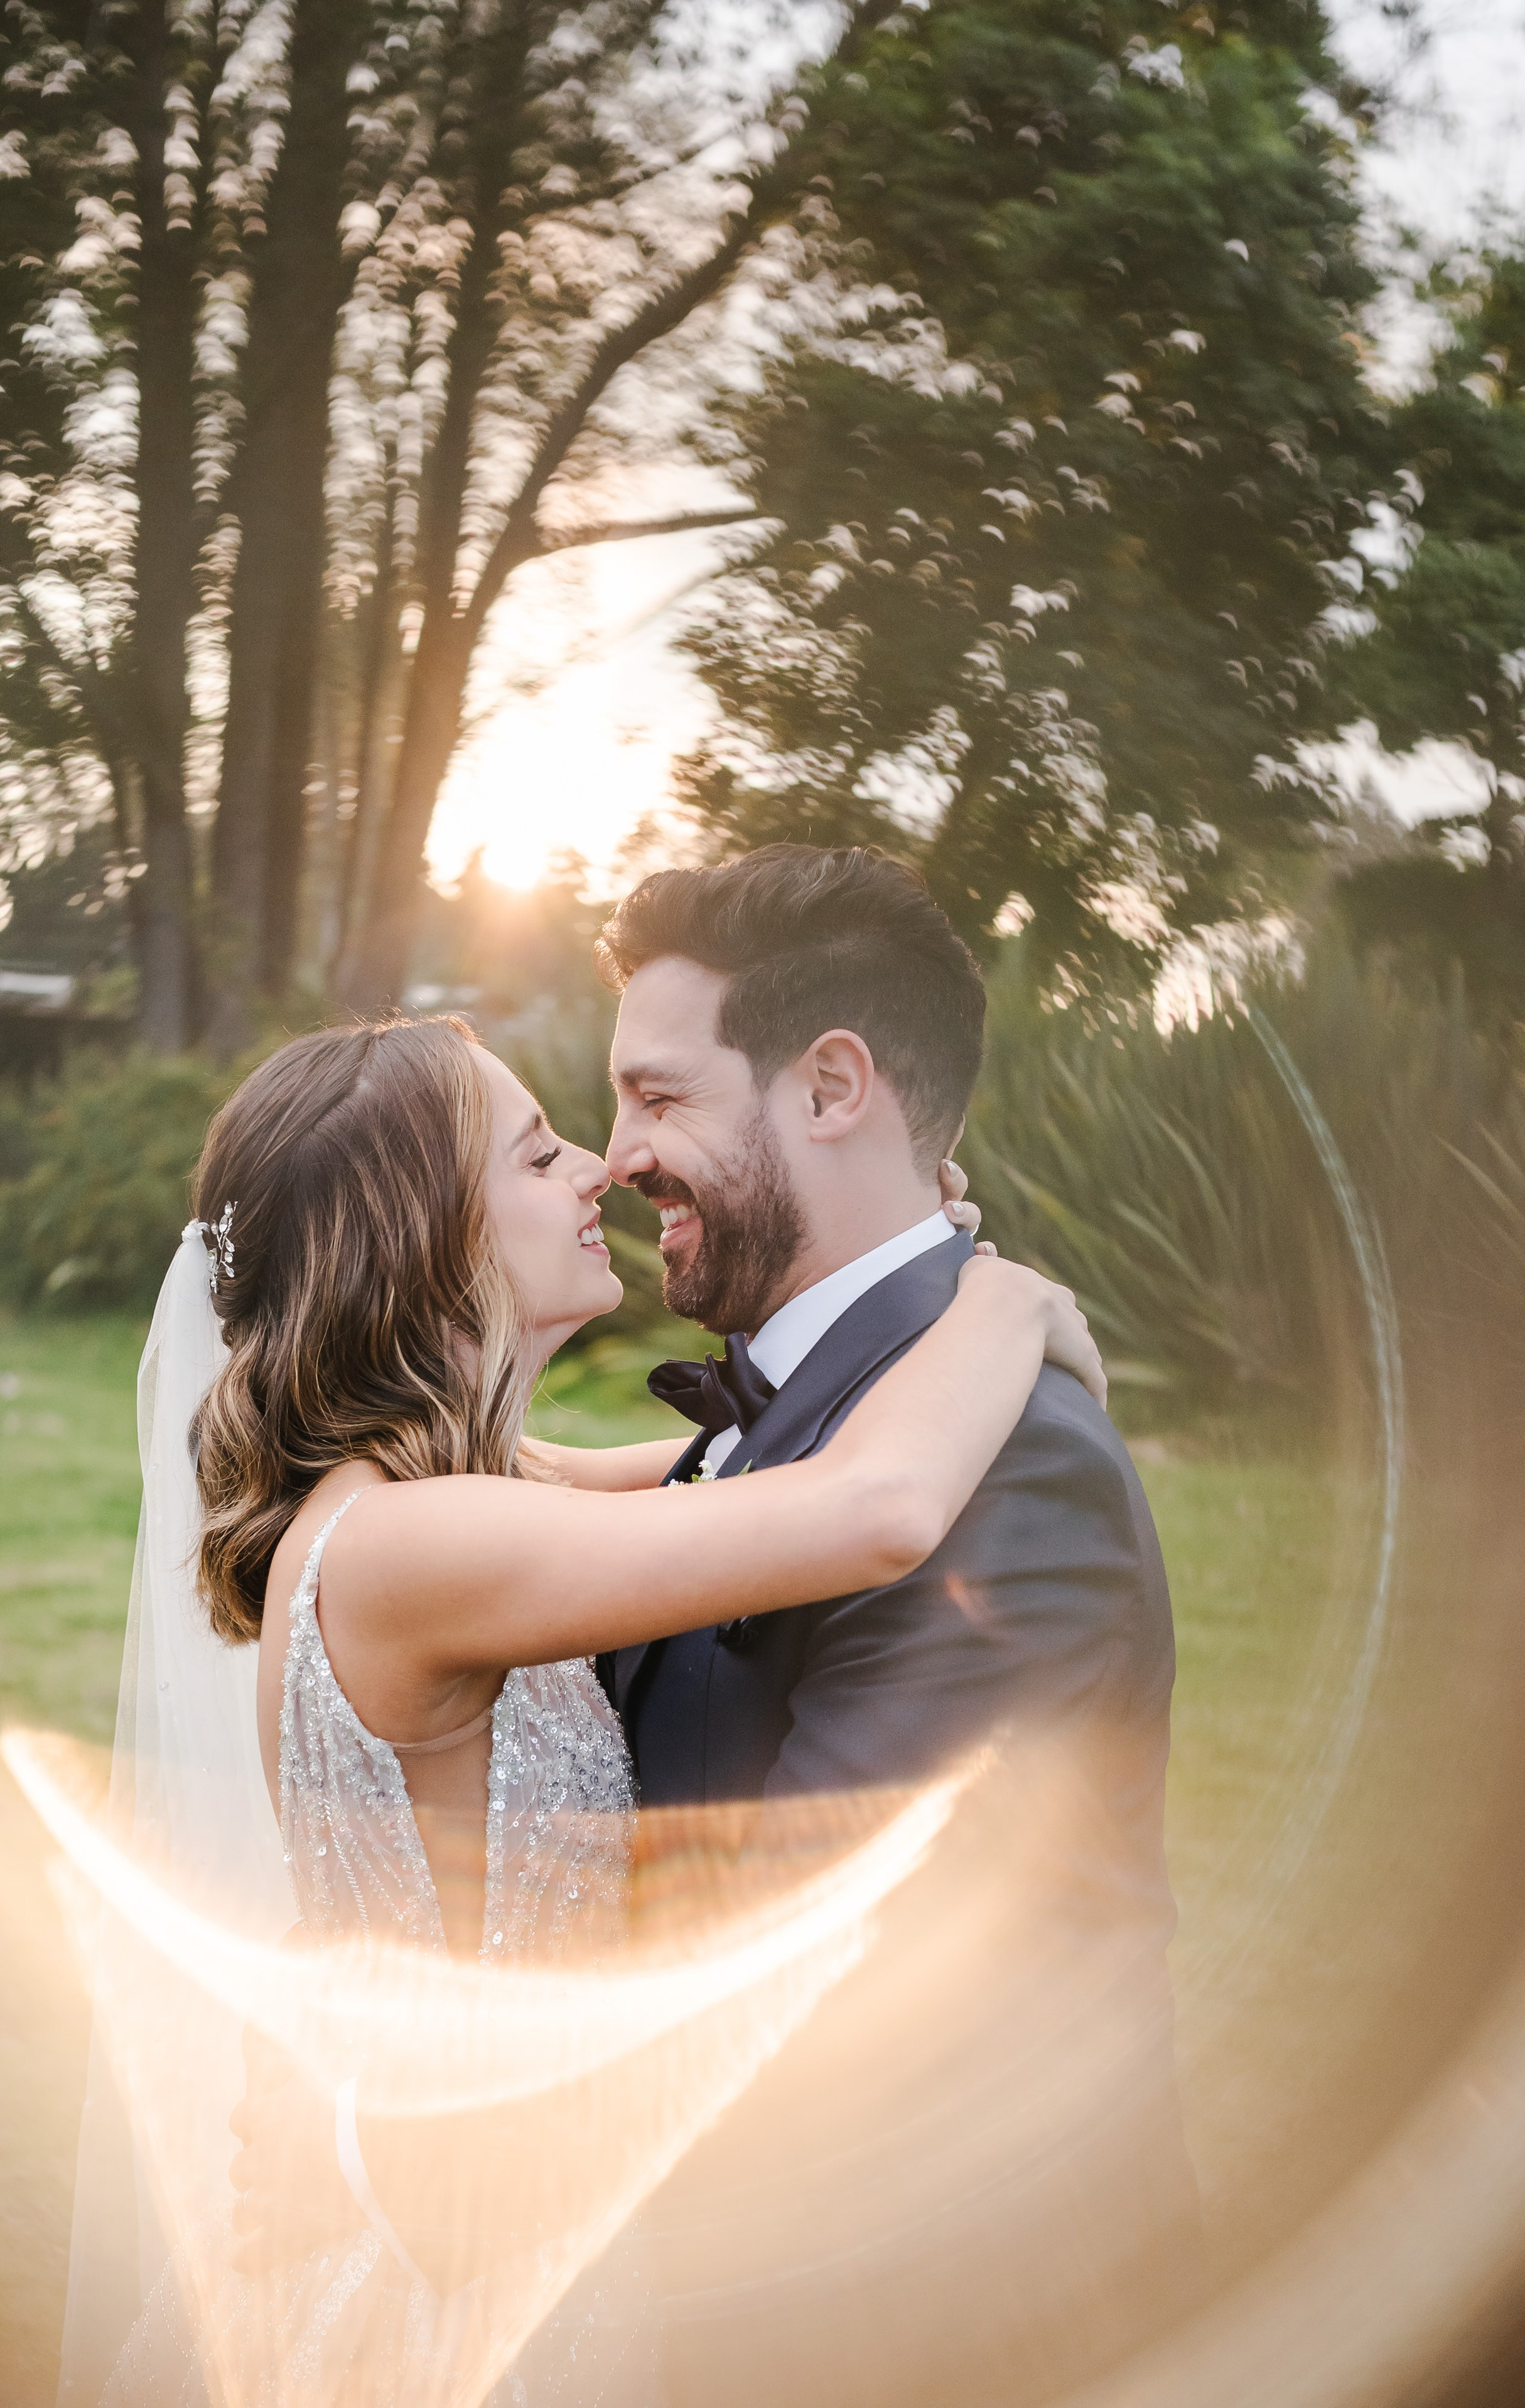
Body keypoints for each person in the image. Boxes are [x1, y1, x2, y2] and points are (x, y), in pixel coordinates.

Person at [63, 999, 1102, 2407]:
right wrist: (1006, 1301)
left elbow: (736, 1468)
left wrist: (881, 1284)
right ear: (423, 1231)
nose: (595, 1175)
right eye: (539, 1152)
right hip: (477, 2261)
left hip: (504, 2211)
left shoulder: (450, 1499)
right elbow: (872, 1507)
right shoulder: (409, 1550)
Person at [590, 844, 1197, 2406]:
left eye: (656, 1098)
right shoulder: (818, 1415)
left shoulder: (1009, 1475)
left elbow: (858, 1999)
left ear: (831, 1083)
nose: (613, 1157)